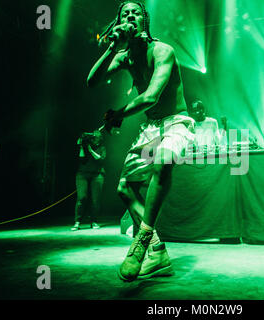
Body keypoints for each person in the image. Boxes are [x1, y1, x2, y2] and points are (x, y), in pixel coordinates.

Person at [87, 1, 195, 282]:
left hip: (176, 123)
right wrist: (113, 47)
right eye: (125, 14)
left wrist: (118, 115)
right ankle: (158, 252)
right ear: (119, 21)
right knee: (125, 187)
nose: (131, 16)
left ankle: (142, 241)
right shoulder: (124, 56)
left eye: (136, 13)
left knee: (163, 162)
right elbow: (92, 82)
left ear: (145, 20)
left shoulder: (163, 51)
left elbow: (150, 97)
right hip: (151, 128)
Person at [71, 130, 106, 231]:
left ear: (100, 139)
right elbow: (81, 159)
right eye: (94, 137)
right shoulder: (86, 146)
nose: (95, 138)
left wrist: (90, 150)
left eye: (97, 137)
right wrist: (82, 146)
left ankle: (94, 221)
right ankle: (77, 222)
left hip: (97, 174)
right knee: (82, 197)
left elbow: (100, 159)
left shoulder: (102, 147)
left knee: (96, 199)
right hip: (82, 174)